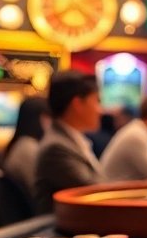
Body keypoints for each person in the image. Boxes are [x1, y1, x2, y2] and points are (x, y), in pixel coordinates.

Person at [34, 70, 107, 213]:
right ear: (78, 104)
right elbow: (96, 193)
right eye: (97, 101)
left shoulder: (70, 139)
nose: (101, 110)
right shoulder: (56, 147)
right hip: (63, 230)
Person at [1, 97, 50, 198]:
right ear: (38, 119)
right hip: (35, 211)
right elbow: (40, 191)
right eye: (47, 118)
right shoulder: (28, 150)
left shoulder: (21, 144)